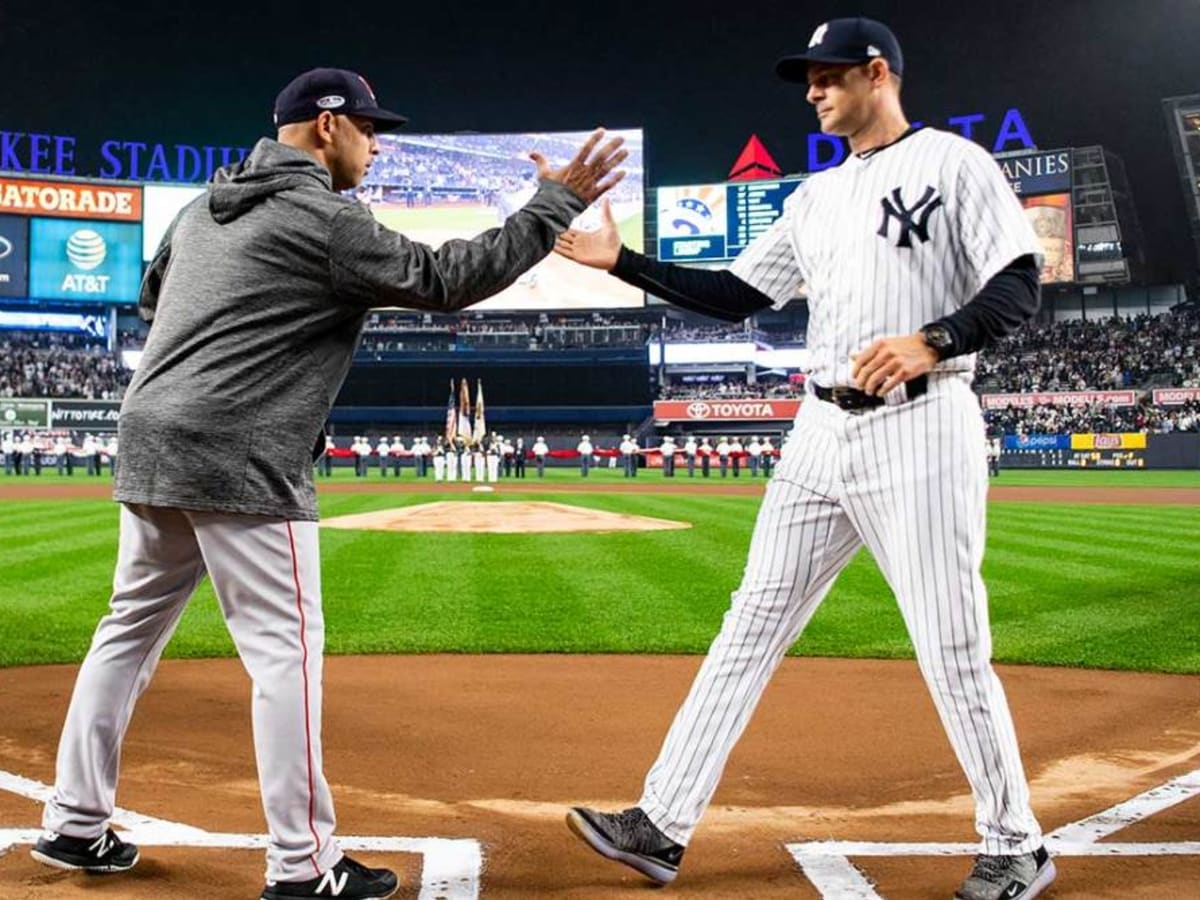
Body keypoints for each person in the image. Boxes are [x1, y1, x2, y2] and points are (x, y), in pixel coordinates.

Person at [33, 66, 626, 900]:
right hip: (240, 449)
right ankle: (303, 867)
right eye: (370, 129)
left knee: (125, 633)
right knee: (286, 657)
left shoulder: (200, 207)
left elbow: (151, 296)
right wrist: (551, 205)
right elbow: (445, 279)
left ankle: (72, 824)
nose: (378, 144)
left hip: (150, 434)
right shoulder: (321, 217)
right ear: (326, 127)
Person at [555, 20, 1053, 900]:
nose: (814, 93)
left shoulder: (953, 163)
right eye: (809, 81)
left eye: (827, 77)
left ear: (877, 74)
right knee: (750, 623)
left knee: (948, 641)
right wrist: (619, 261)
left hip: (922, 426)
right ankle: (661, 825)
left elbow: (1018, 278)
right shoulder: (814, 197)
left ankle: (1017, 841)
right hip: (819, 432)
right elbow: (737, 296)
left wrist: (935, 339)